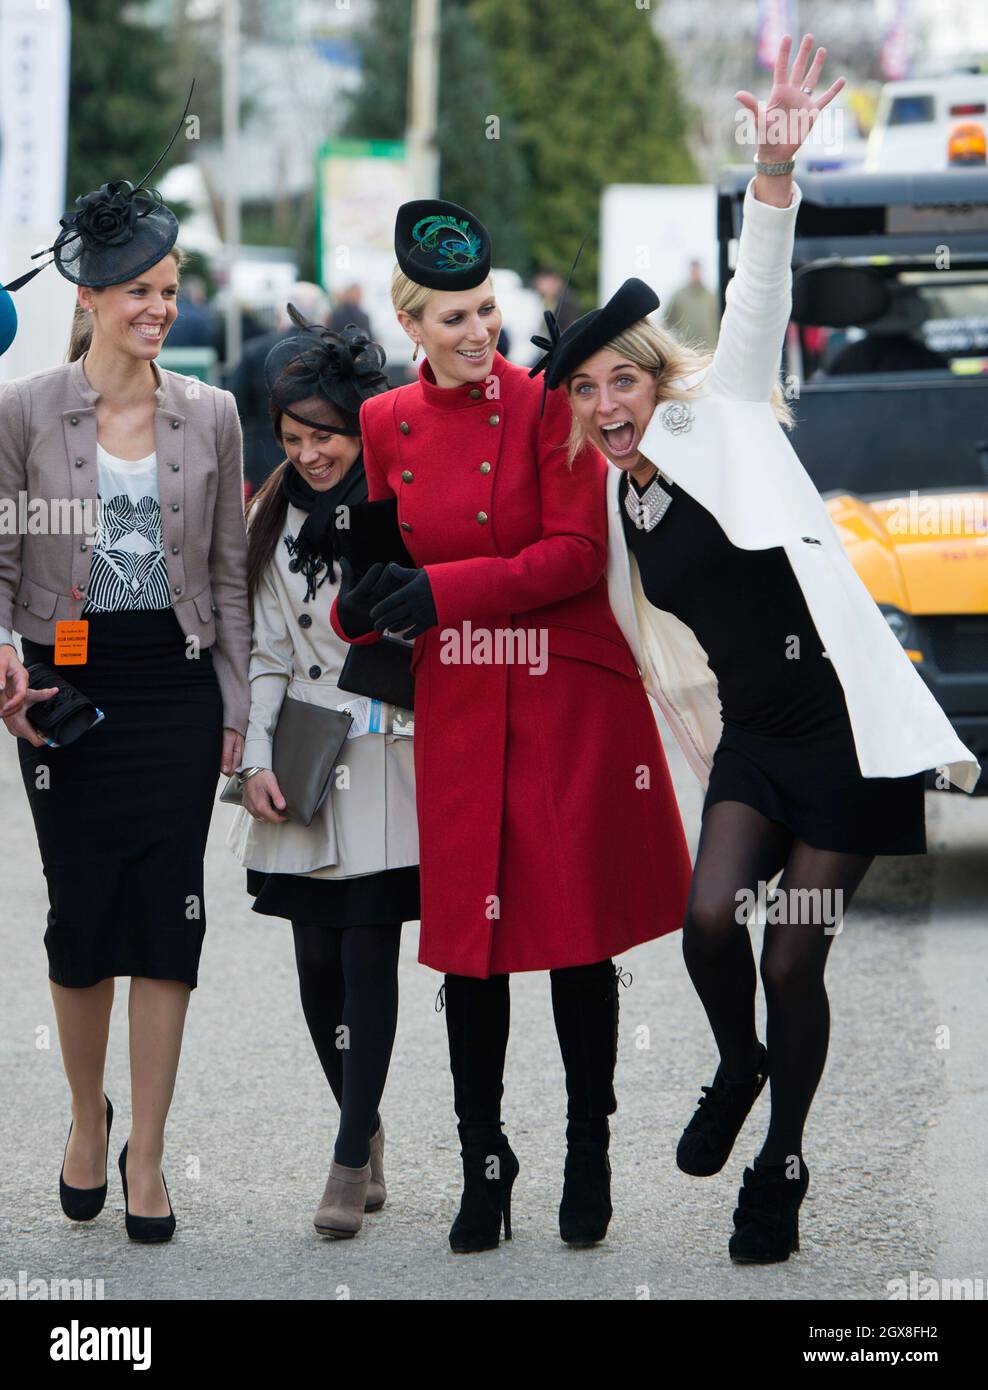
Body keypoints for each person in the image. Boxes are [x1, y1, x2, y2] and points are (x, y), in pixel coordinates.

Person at [541, 34, 981, 1265]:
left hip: (842, 727)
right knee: (706, 925)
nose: (604, 406)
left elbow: (757, 296)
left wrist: (773, 174)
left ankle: (780, 1168)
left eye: (619, 381)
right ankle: (733, 1070)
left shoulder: (720, 412)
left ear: (653, 376)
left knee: (794, 955)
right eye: (581, 395)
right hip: (755, 734)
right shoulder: (614, 503)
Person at [329, 197, 693, 1253]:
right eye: (455, 320)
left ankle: (590, 1152)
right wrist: (360, 594)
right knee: (471, 953)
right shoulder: (383, 423)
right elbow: (375, 570)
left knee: (576, 941)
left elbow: (575, 556)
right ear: (413, 328)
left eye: (487, 311)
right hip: (459, 703)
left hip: (563, 692)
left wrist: (438, 592)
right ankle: (485, 1164)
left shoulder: (550, 404)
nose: (480, 333)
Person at [0, 126, 251, 1244]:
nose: (160, 306)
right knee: (81, 914)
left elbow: (233, 573)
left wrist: (240, 711)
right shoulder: (24, 409)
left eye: (171, 288)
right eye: (140, 289)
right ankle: (84, 1120)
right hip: (64, 681)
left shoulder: (212, 414)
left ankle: (147, 1149)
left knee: (169, 914)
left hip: (177, 683)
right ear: (92, 294)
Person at [225, 310, 420, 1238]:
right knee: (313, 965)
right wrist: (254, 756)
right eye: (293, 437)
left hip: (386, 750)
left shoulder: (399, 506)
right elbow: (266, 651)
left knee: (366, 949)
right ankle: (365, 1117)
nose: (308, 453)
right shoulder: (269, 511)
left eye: (326, 436)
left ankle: (347, 1158)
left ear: (361, 427)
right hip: (302, 753)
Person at [226, 283, 331, 497]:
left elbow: (233, 408)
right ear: (324, 316)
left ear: (279, 315)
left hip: (264, 467)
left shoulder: (255, 351)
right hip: (326, 467)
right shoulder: (336, 352)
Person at [664, 258, 720, 351]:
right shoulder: (679, 295)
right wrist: (675, 340)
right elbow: (666, 321)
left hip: (709, 350)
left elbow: (720, 320)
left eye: (697, 270)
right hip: (686, 351)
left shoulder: (711, 297)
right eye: (693, 270)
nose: (695, 273)